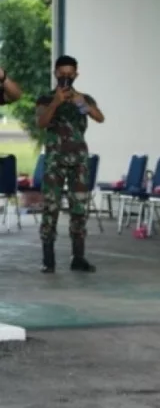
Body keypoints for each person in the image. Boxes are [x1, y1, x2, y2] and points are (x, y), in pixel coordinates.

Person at [35, 55, 105, 274]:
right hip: (55, 161)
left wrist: (80, 103)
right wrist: (56, 102)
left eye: (70, 73)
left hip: (79, 163)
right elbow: (41, 123)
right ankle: (48, 259)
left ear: (76, 74)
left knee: (79, 209)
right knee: (51, 208)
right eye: (62, 73)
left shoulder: (83, 98)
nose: (66, 77)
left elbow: (99, 117)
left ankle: (79, 257)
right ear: (55, 73)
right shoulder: (46, 99)